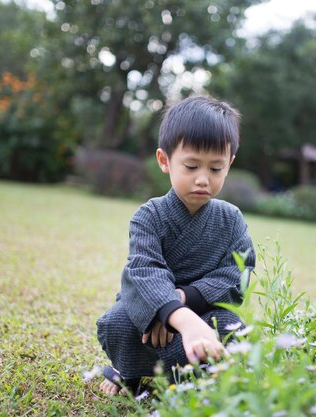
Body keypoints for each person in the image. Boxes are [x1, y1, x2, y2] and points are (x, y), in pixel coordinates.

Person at [96, 96, 255, 395]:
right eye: (192, 166)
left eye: (216, 169)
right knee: (116, 322)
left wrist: (183, 302)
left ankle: (184, 375)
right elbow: (144, 271)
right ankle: (129, 371)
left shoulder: (231, 220)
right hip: (148, 314)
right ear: (164, 160)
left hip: (202, 312)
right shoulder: (148, 216)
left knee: (232, 327)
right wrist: (169, 313)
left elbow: (238, 275)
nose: (203, 179)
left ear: (230, 163)